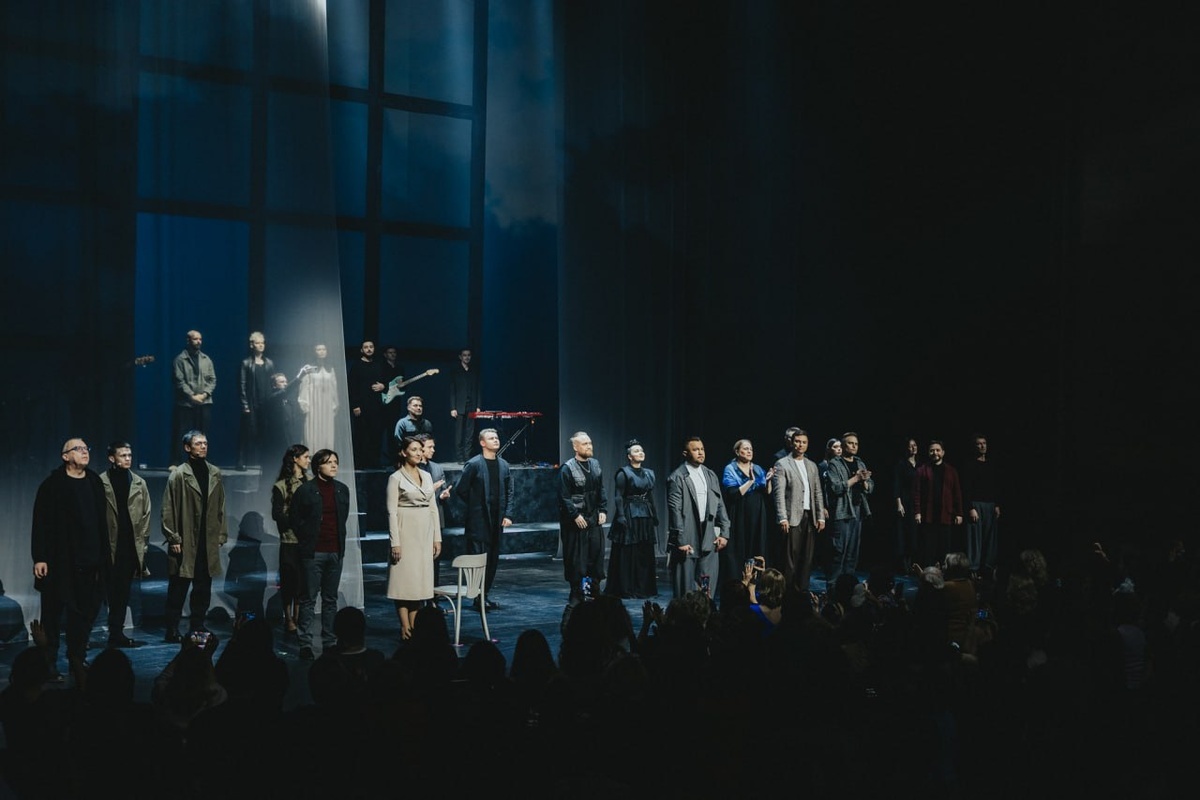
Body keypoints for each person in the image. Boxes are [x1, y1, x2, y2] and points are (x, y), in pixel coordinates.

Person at [31, 438, 108, 679]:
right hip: (59, 562)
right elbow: (40, 523)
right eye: (78, 449)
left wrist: (103, 558)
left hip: (89, 562)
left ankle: (77, 659)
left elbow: (102, 523)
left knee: (82, 617)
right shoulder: (52, 485)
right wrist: (40, 557)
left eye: (86, 448)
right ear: (65, 456)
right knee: (52, 616)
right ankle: (49, 664)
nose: (85, 452)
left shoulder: (94, 482)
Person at [161, 431, 228, 643]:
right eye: (198, 443)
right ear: (187, 447)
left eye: (205, 443)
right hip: (186, 540)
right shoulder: (179, 475)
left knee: (203, 587)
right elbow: (168, 508)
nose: (203, 446)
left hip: (207, 541)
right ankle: (172, 628)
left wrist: (221, 534)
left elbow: (221, 505)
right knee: (178, 588)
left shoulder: (214, 473)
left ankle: (197, 625)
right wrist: (174, 537)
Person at [289, 449, 350, 660]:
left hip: (335, 551)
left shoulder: (342, 490)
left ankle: (329, 641)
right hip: (313, 552)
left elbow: (343, 519)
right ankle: (305, 643)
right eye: (328, 462)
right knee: (308, 599)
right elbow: (295, 519)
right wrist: (307, 539)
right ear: (318, 466)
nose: (334, 465)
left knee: (330, 599)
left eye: (336, 462)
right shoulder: (306, 490)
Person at [386, 436, 443, 639]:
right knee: (403, 581)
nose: (419, 453)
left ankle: (415, 627)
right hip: (405, 530)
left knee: (418, 582)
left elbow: (433, 508)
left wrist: (437, 538)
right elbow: (391, 512)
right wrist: (395, 543)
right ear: (403, 452)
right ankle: (405, 627)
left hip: (424, 532)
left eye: (420, 449)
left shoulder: (426, 476)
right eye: (414, 449)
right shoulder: (396, 478)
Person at [453, 428, 514, 609]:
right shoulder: (474, 464)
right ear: (482, 443)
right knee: (479, 558)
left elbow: (510, 491)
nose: (496, 440)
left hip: (497, 520)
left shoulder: (503, 465)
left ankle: (484, 595)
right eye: (491, 438)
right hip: (478, 522)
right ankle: (476, 596)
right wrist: (475, 506)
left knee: (493, 559)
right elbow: (461, 489)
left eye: (496, 437)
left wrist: (508, 514)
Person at [99, 441, 151, 648]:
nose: (128, 459)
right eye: (123, 455)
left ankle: (116, 633)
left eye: (129, 455)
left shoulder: (139, 483)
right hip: (107, 546)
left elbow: (146, 514)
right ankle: (82, 636)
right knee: (98, 592)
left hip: (128, 547)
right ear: (112, 458)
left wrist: (142, 544)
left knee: (121, 593)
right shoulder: (100, 482)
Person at [666, 436, 731, 599]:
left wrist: (724, 533)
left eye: (702, 449)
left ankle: (705, 611)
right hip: (687, 535)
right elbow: (675, 510)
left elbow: (720, 504)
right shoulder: (677, 477)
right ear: (685, 453)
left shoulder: (710, 474)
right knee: (685, 588)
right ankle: (685, 613)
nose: (700, 453)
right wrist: (680, 540)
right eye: (695, 450)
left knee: (706, 584)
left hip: (708, 535)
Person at [772, 428, 826, 593]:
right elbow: (779, 494)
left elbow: (817, 492)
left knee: (807, 558)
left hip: (809, 516)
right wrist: (782, 517)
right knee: (790, 559)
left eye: (804, 442)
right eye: (797, 441)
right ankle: (788, 593)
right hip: (792, 516)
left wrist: (820, 516)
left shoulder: (812, 465)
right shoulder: (782, 463)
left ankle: (802, 592)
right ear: (792, 443)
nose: (800, 445)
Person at [604, 438, 659, 599]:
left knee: (644, 550)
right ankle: (626, 588)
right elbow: (618, 496)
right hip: (629, 512)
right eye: (636, 451)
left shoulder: (649, 473)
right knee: (628, 551)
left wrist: (654, 514)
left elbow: (650, 496)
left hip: (645, 513)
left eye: (641, 450)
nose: (640, 453)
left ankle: (643, 588)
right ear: (629, 456)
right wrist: (621, 515)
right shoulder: (624, 473)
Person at [558, 431, 608, 607]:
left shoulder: (595, 465)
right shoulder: (567, 468)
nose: (589, 446)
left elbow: (601, 489)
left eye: (590, 443)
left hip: (593, 517)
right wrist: (575, 515)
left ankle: (593, 591)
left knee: (595, 554)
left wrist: (603, 509)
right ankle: (576, 592)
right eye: (585, 444)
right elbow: (564, 496)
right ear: (575, 447)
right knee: (576, 558)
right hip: (576, 520)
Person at [819, 431, 874, 589]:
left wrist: (864, 482)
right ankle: (833, 588)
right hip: (842, 512)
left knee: (852, 553)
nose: (854, 446)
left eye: (856, 444)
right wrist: (856, 478)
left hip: (858, 511)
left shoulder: (860, 463)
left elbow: (870, 487)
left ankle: (847, 587)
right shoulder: (834, 464)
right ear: (843, 446)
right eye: (850, 443)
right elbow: (835, 487)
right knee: (838, 551)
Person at [270, 444, 311, 637]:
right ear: (295, 459)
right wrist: (296, 521)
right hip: (290, 541)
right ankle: (288, 618)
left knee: (303, 583)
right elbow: (277, 514)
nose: (308, 460)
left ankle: (297, 616)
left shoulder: (310, 482)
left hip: (307, 541)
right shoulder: (281, 486)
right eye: (305, 457)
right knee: (289, 581)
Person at [721, 438, 775, 577]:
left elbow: (767, 492)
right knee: (741, 545)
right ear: (737, 451)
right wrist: (750, 481)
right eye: (745, 449)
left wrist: (768, 481)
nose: (749, 451)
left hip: (758, 511)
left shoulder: (757, 468)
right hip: (740, 510)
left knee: (756, 544)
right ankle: (739, 579)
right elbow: (733, 494)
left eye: (751, 449)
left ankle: (755, 579)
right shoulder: (731, 468)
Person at [913, 440, 964, 570]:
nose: (935, 453)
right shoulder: (922, 470)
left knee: (944, 548)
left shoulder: (951, 471)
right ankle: (929, 573)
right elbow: (917, 492)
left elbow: (957, 493)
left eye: (937, 450)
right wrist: (917, 512)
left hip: (945, 515)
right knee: (928, 547)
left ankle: (943, 573)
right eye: (932, 450)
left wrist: (959, 513)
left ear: (943, 452)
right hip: (928, 515)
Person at [171, 330, 216, 462]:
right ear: (188, 340)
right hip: (185, 403)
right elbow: (179, 381)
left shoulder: (206, 359)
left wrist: (205, 394)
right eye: (195, 339)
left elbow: (212, 379)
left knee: (202, 434)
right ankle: (178, 462)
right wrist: (192, 396)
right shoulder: (180, 359)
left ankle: (201, 461)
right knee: (182, 433)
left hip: (204, 402)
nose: (198, 342)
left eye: (200, 339)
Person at [961, 433, 1001, 578]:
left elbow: (996, 485)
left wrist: (997, 504)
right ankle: (974, 568)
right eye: (979, 443)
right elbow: (966, 488)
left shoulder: (991, 464)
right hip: (976, 505)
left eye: (984, 443)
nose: (982, 446)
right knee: (975, 539)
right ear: (974, 446)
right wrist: (970, 507)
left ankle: (988, 567)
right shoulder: (969, 465)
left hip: (990, 504)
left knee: (990, 538)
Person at [415, 433, 451, 586]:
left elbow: (441, 490)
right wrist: (432, 488)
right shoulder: (412, 468)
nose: (433, 450)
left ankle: (433, 591)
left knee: (435, 556)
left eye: (433, 447)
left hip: (435, 517)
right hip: (417, 518)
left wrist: (443, 495)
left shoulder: (437, 468)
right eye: (430, 447)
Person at [237, 331, 275, 470]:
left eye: (262, 343)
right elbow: (242, 384)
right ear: (252, 345)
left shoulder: (269, 363)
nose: (261, 345)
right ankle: (241, 461)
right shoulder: (246, 363)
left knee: (265, 432)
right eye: (258, 343)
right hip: (252, 402)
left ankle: (266, 462)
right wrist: (245, 405)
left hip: (266, 403)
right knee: (247, 432)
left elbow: (273, 383)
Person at [348, 340, 386, 470]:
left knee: (376, 434)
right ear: (361, 350)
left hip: (376, 406)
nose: (369, 349)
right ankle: (360, 463)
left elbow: (386, 382)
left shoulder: (378, 365)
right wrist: (355, 405)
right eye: (366, 347)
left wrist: (383, 386)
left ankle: (374, 462)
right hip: (361, 407)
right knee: (361, 435)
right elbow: (352, 387)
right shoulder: (357, 366)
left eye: (371, 347)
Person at [296, 343, 339, 454]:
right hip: (313, 404)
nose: (321, 351)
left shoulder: (330, 368)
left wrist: (334, 404)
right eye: (318, 349)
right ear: (314, 352)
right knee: (312, 429)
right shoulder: (308, 368)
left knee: (326, 430)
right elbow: (304, 387)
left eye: (324, 349)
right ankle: (312, 455)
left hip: (326, 405)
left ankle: (325, 455)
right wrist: (304, 404)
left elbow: (333, 387)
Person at [892, 437, 920, 573]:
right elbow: (897, 485)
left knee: (915, 534)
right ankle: (904, 565)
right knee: (904, 533)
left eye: (915, 445)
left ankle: (914, 564)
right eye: (910, 446)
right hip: (905, 501)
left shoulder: (920, 465)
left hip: (917, 502)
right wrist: (899, 504)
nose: (913, 448)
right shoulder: (901, 464)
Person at [448, 347, 481, 462]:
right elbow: (452, 390)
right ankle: (459, 456)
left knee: (470, 433)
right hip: (459, 406)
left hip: (472, 405)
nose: (467, 357)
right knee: (459, 433)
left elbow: (478, 389)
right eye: (464, 355)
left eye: (469, 355)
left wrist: (478, 406)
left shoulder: (474, 371)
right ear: (460, 357)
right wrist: (453, 407)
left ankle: (467, 455)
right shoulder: (455, 371)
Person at [377, 345, 405, 466]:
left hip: (395, 404)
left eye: (394, 352)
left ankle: (393, 459)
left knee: (393, 432)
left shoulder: (400, 368)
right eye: (390, 352)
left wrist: (403, 385)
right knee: (379, 431)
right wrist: (385, 386)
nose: (392, 354)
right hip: (383, 404)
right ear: (385, 355)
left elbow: (403, 388)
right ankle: (378, 459)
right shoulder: (381, 367)